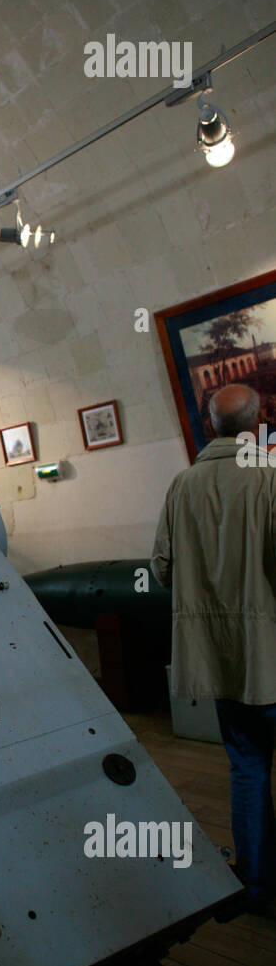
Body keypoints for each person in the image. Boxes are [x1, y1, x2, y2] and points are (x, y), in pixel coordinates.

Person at [151, 384, 276, 915]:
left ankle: (258, 885)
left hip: (223, 664)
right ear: (260, 420)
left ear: (210, 427)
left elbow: (162, 569)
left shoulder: (183, 485)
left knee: (247, 768)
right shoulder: (270, 477)